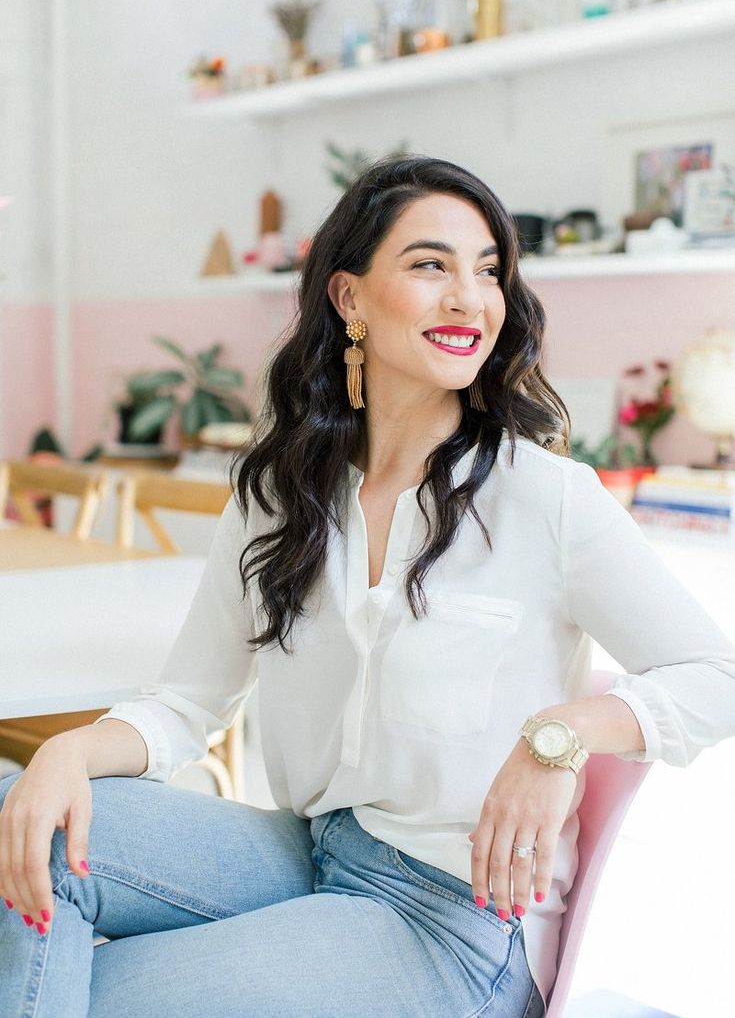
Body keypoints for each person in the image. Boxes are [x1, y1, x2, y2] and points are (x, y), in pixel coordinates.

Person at [1, 155, 734, 1018]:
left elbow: (714, 674)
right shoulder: (279, 493)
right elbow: (187, 703)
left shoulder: (545, 496)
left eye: (488, 269)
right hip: (312, 847)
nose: (469, 297)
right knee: (20, 813)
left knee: (102, 997)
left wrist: (562, 734)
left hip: (453, 926)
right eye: (431, 265)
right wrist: (65, 752)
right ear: (349, 297)